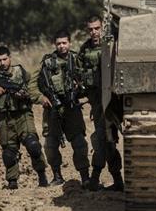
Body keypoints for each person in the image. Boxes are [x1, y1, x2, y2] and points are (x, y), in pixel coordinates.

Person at [0, 45, 49, 190]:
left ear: (10, 58)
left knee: (33, 145)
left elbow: (33, 88)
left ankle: (42, 175)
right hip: (5, 120)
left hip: (23, 115)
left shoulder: (21, 73)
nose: (2, 63)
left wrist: (26, 95)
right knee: (9, 152)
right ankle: (12, 181)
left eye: (5, 59)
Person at [35, 29, 91, 188]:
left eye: (64, 43)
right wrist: (43, 98)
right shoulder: (47, 63)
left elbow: (87, 80)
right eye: (58, 43)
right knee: (50, 145)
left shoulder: (77, 59)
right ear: (54, 44)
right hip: (54, 109)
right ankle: (57, 176)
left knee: (80, 143)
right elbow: (37, 85)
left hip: (72, 109)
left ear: (70, 43)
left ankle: (85, 177)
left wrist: (79, 87)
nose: (61, 46)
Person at [78, 16, 124, 191]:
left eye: (96, 28)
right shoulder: (85, 50)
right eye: (90, 29)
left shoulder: (112, 45)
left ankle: (95, 177)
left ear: (102, 27)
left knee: (103, 138)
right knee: (106, 140)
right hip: (96, 103)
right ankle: (117, 180)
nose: (94, 32)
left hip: (113, 102)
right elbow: (79, 73)